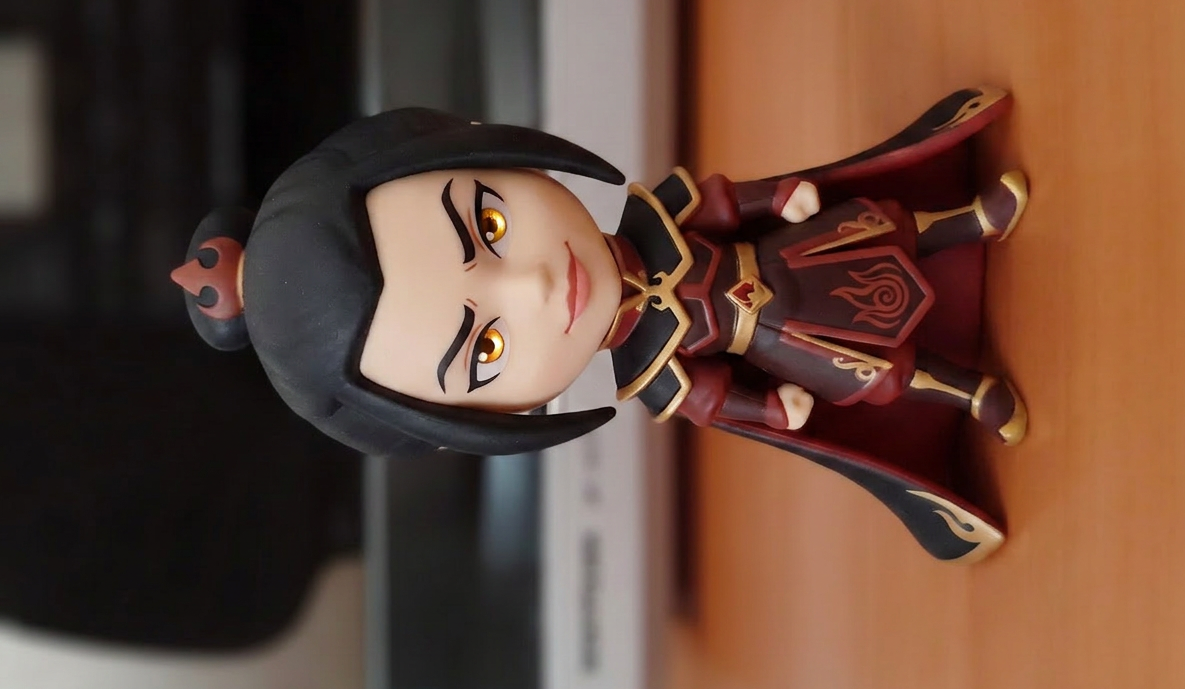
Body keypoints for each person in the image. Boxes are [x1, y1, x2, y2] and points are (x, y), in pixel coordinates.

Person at [173, 88, 1027, 563]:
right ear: (483, 420)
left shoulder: (655, 224)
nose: (537, 285)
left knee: (876, 224)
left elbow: (721, 203)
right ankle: (964, 391)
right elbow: (708, 398)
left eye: (491, 225)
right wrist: (771, 408)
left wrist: (779, 198)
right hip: (767, 339)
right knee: (868, 375)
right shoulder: (648, 367)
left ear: (478, 148)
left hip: (779, 255)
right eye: (487, 349)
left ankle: (968, 218)